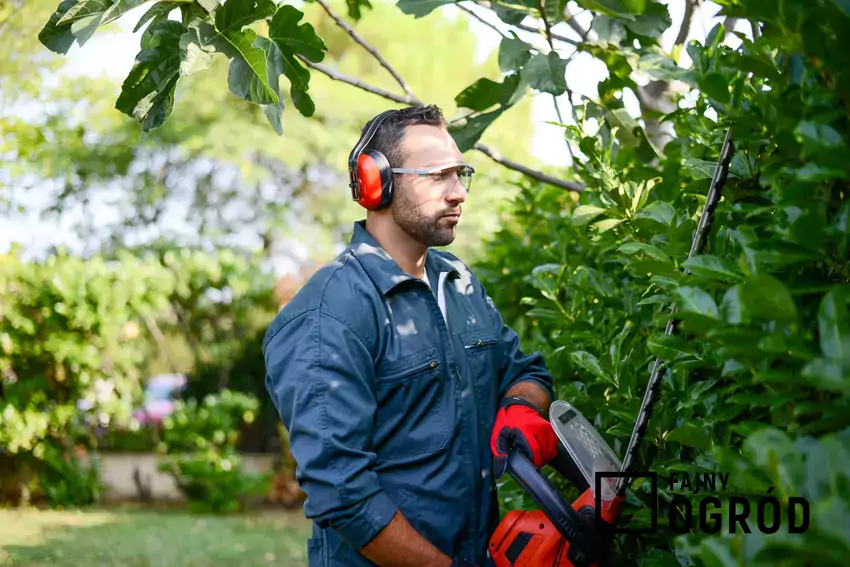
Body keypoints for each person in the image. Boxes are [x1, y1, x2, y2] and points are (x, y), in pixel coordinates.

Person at [263, 105, 559, 567]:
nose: (458, 192)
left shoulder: (458, 282)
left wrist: (521, 407)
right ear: (375, 181)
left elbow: (525, 371)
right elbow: (344, 495)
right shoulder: (330, 316)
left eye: (461, 174)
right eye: (437, 175)